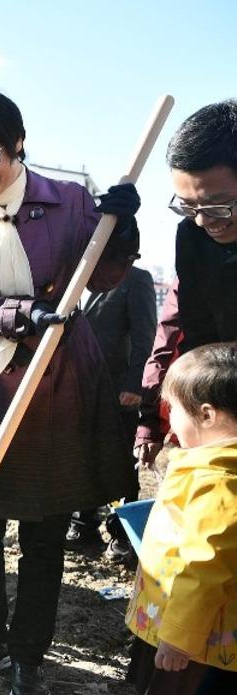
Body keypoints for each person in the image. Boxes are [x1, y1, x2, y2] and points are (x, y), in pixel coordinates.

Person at [0, 90, 141, 695]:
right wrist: (20, 315)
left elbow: (103, 274)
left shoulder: (71, 202)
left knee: (44, 531)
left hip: (59, 385)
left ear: (18, 143)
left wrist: (120, 226)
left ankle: (27, 657)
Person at [125, 342, 237, 695]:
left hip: (202, 643)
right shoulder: (211, 466)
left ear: (208, 415)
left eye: (176, 413)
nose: (171, 423)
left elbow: (204, 567)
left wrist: (178, 638)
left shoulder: (221, 483)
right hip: (203, 637)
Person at [136, 100, 237, 476]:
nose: (203, 220)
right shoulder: (193, 236)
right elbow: (192, 336)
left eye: (218, 206)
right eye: (187, 205)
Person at [65, 265, 156, 558]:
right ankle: (83, 525)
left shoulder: (135, 279)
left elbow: (146, 336)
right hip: (76, 388)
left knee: (119, 461)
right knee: (80, 457)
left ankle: (122, 534)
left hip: (119, 390)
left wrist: (135, 385)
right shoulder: (70, 274)